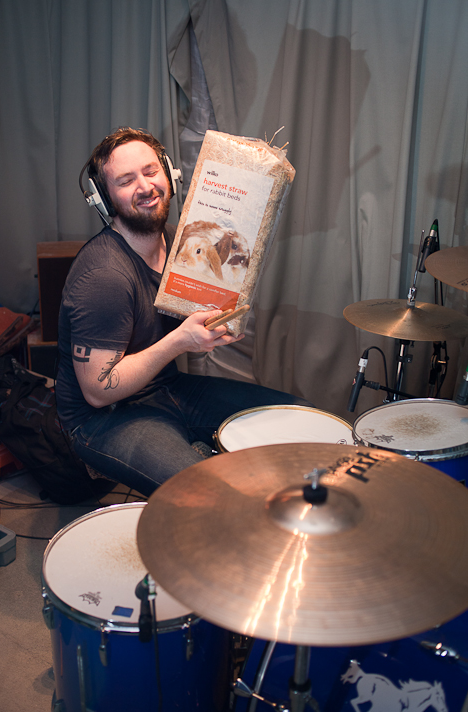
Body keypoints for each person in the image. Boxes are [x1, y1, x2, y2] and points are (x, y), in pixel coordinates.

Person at [56, 127, 310, 497]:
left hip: (164, 388)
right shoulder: (104, 276)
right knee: (212, 494)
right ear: (104, 199)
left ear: (170, 174)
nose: (145, 187)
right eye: (126, 181)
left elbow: (196, 320)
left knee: (302, 420)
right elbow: (97, 391)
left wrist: (217, 326)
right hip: (103, 418)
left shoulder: (180, 244)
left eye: (150, 171)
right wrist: (181, 341)